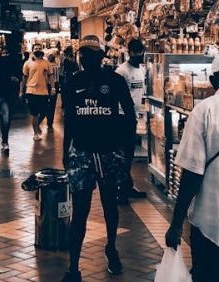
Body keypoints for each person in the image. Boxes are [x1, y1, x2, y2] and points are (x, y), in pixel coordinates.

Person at [165, 52, 219, 282]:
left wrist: (176, 224)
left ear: (213, 81)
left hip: (211, 224)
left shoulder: (204, 111)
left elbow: (191, 174)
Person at [62, 35, 136, 281]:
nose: (85, 58)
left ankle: (111, 247)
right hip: (82, 152)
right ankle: (73, 267)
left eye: (91, 54)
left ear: (101, 56)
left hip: (108, 152)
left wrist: (126, 158)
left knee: (110, 206)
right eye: (82, 54)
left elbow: (130, 118)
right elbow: (69, 120)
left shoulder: (115, 81)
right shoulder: (72, 82)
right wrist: (66, 152)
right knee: (80, 211)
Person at [115, 38, 147, 204]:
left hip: (133, 117)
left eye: (141, 52)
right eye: (136, 53)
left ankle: (127, 187)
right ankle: (121, 191)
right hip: (122, 118)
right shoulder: (122, 71)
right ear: (129, 53)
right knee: (123, 155)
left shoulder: (141, 69)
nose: (139, 56)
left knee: (129, 154)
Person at [0, 46, 22, 154]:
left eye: (6, 53)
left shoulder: (15, 65)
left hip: (11, 94)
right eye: (3, 53)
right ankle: (5, 142)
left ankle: (4, 139)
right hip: (0, 94)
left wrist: (16, 79)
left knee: (6, 118)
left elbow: (20, 77)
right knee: (5, 117)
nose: (5, 55)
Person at [20, 43, 53, 141]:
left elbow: (50, 76)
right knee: (35, 114)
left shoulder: (46, 63)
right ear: (33, 50)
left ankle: (37, 125)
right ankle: (35, 133)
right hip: (31, 91)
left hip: (43, 91)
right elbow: (24, 78)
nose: (38, 50)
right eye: (36, 48)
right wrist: (22, 91)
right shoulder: (27, 63)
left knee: (44, 112)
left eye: (39, 48)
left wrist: (53, 88)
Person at [45, 53, 59, 131]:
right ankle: (50, 122)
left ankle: (48, 118)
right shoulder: (57, 66)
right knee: (53, 104)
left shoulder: (48, 67)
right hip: (56, 85)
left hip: (48, 85)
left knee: (47, 102)